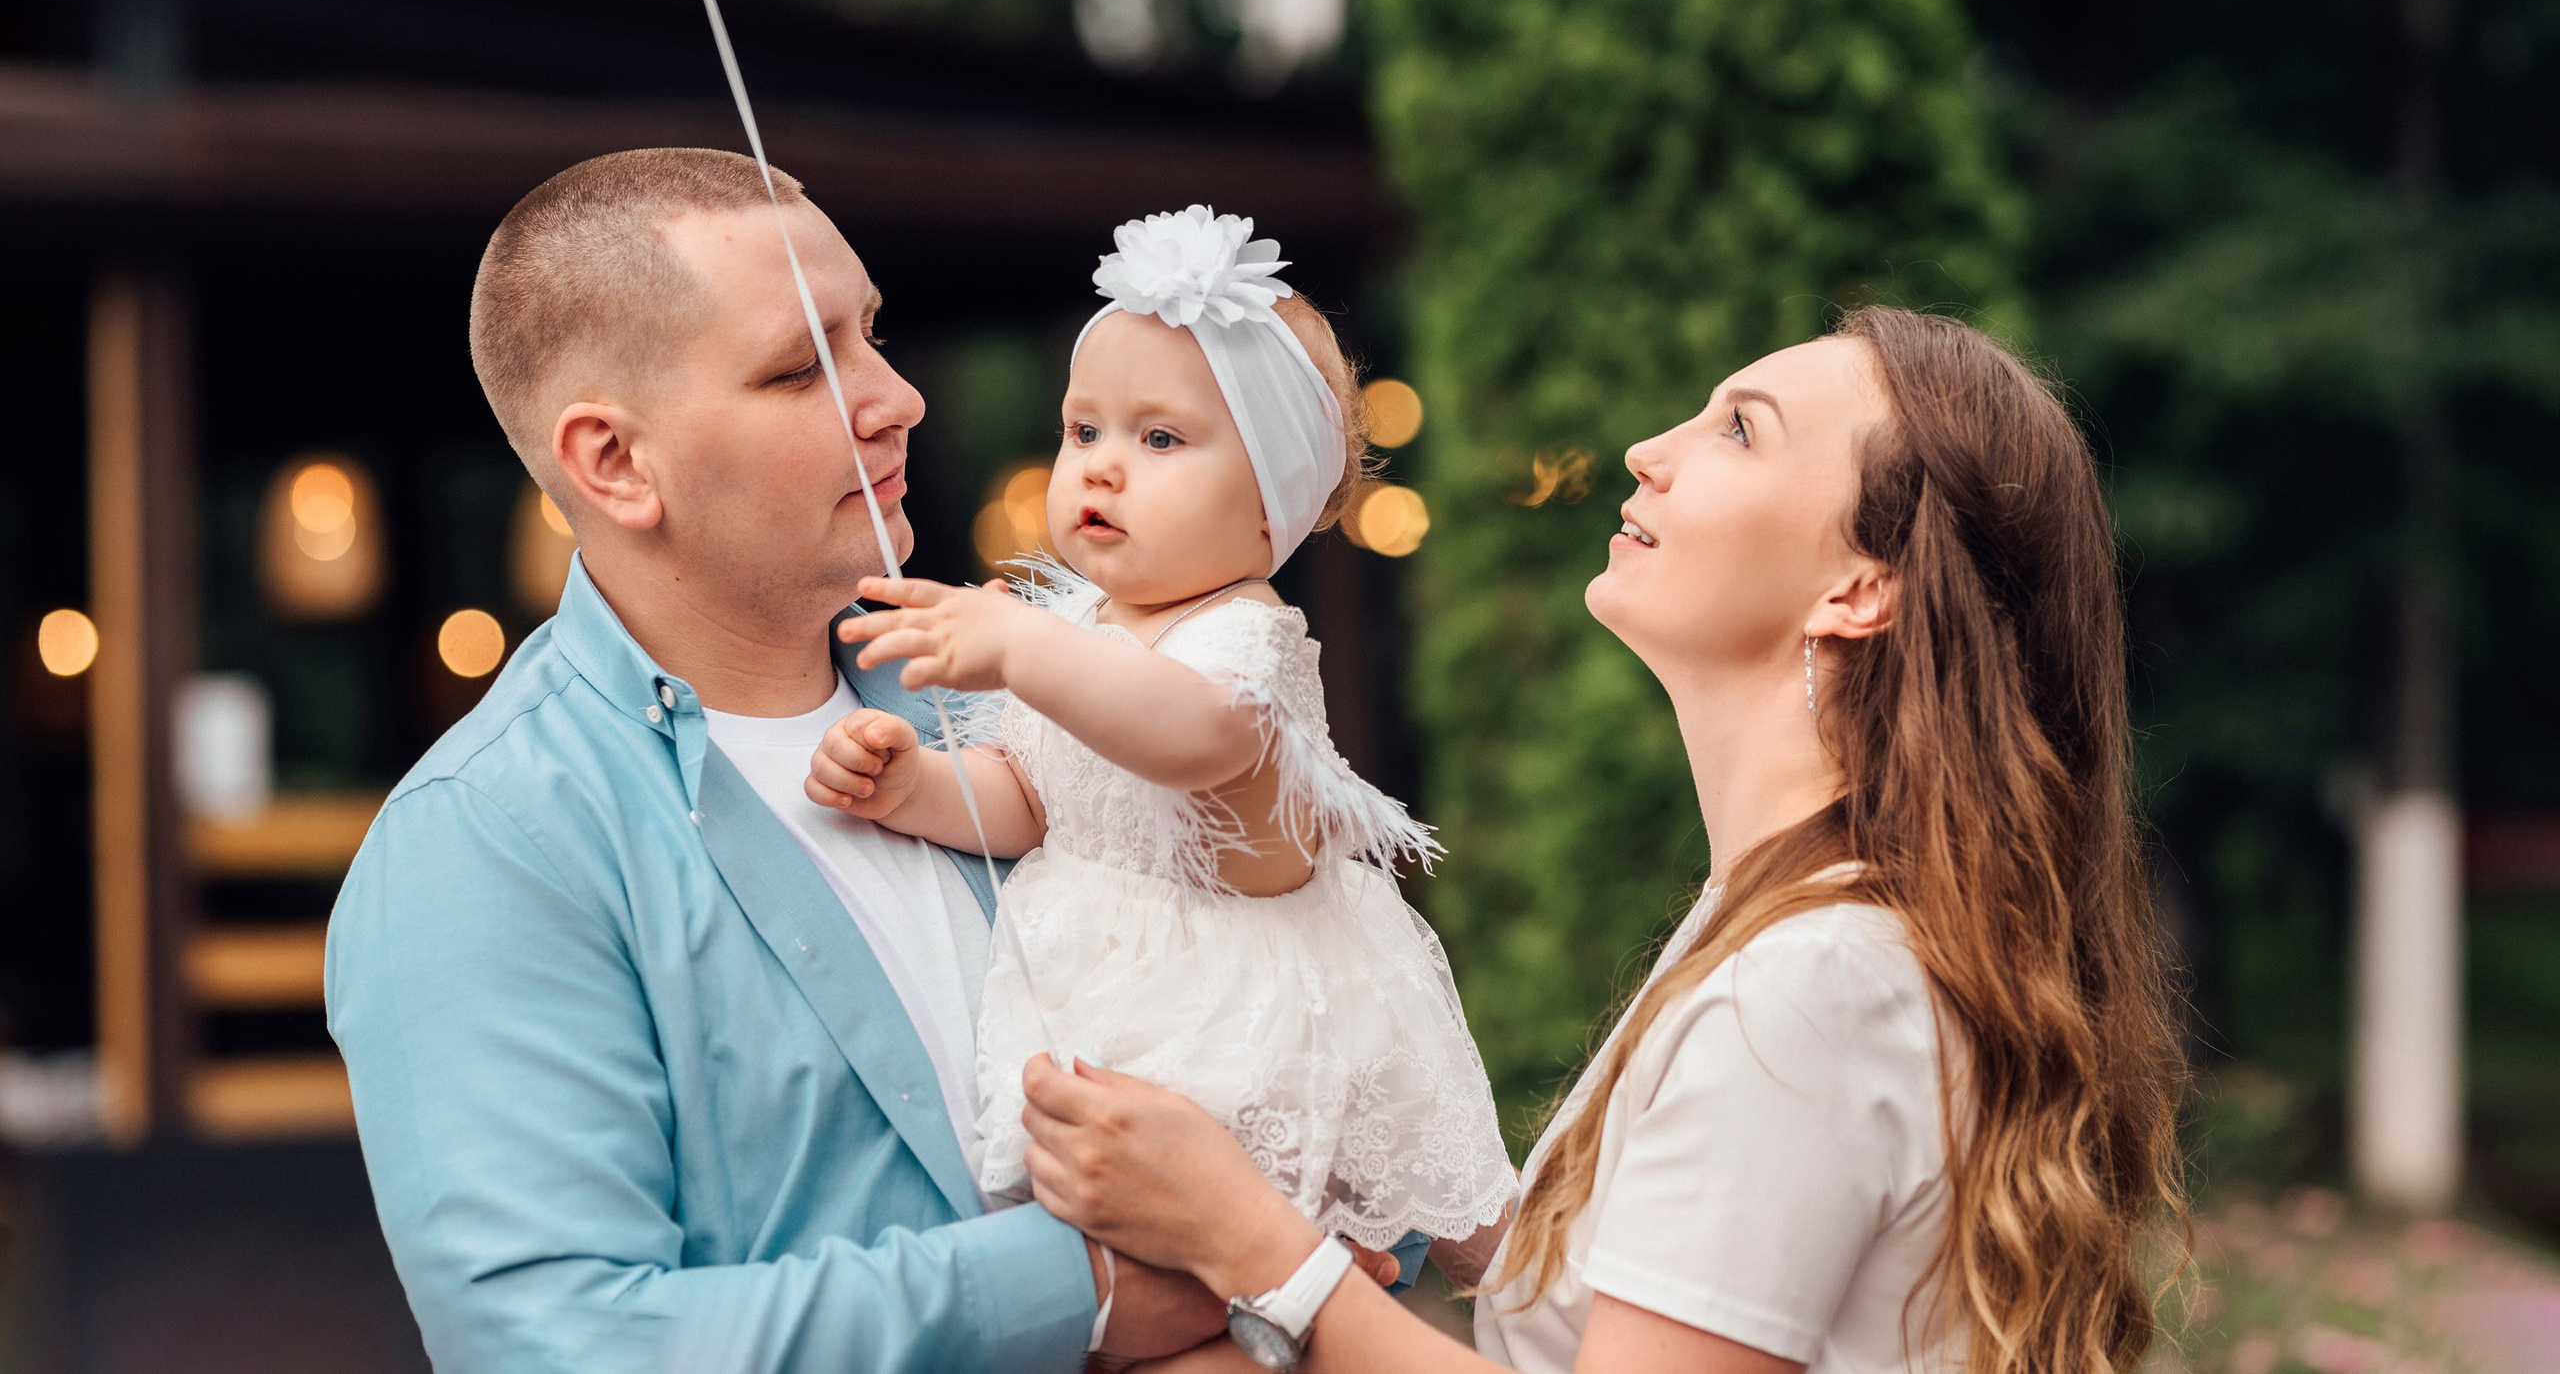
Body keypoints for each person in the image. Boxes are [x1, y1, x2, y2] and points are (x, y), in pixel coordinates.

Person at [1008, 307, 2188, 1374]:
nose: (1647, 448)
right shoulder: (1779, 923)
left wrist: (1250, 1240)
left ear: (1858, 590)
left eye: (1738, 429)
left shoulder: (1814, 981)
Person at [324, 148, 1230, 1371]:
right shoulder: (490, 839)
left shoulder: (1013, 690)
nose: (894, 396)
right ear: (615, 463)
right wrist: (1082, 1285)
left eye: (871, 334)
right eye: (801, 367)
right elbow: (552, 1344)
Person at [806, 206, 1515, 1265]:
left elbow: (1188, 734)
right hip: (1114, 997)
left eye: (1161, 438)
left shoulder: (1244, 636)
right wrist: (916, 787)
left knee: (1359, 1254)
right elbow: (1036, 799)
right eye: (1082, 429)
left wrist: (1015, 650)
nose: (1100, 466)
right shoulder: (1069, 625)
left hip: (1255, 1017)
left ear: (1271, 505)